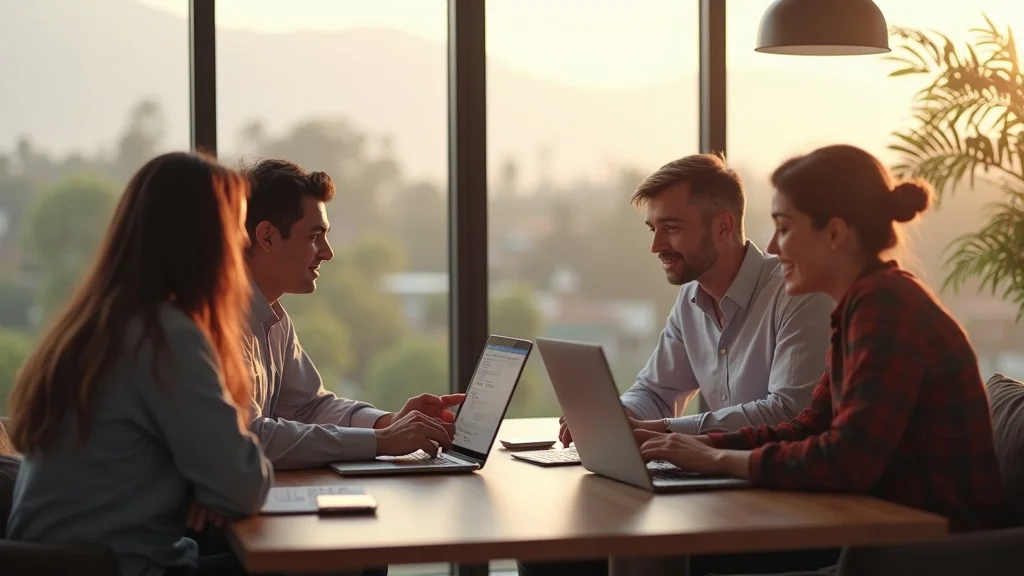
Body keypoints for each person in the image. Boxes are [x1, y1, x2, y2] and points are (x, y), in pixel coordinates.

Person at [634, 145, 1007, 574]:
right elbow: (807, 426)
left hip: (934, 555)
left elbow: (846, 459)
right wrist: (695, 446)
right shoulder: (857, 306)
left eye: (785, 228)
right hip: (880, 538)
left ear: (834, 233)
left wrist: (716, 458)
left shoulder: (887, 306)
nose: (773, 245)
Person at [522, 153, 835, 576]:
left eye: (671, 228)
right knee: (552, 552)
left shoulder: (796, 294)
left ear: (724, 226)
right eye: (653, 230)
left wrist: (667, 432)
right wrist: (617, 419)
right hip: (725, 495)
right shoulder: (690, 300)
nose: (656, 246)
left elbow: (788, 412)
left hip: (788, 512)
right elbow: (656, 391)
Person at [5, 152, 273, 576]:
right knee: (339, 564)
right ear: (206, 240)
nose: (243, 241)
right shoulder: (163, 335)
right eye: (236, 225)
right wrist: (213, 481)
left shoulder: (98, 324)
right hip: (118, 567)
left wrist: (205, 482)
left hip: (66, 562)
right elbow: (243, 486)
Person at [241, 158, 463, 470]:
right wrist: (381, 441)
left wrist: (389, 422)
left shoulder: (274, 320)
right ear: (267, 237)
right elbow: (251, 437)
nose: (327, 252)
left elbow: (308, 407)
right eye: (313, 236)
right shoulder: (219, 324)